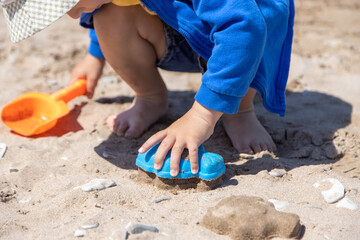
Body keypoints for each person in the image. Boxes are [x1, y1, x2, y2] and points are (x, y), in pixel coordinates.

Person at [2, 0, 294, 177]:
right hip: (183, 28)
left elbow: (244, 27)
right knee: (108, 14)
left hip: (250, 34)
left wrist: (202, 116)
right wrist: (95, 54)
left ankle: (240, 110)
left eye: (68, 3)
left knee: (252, 25)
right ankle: (151, 97)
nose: (69, 15)